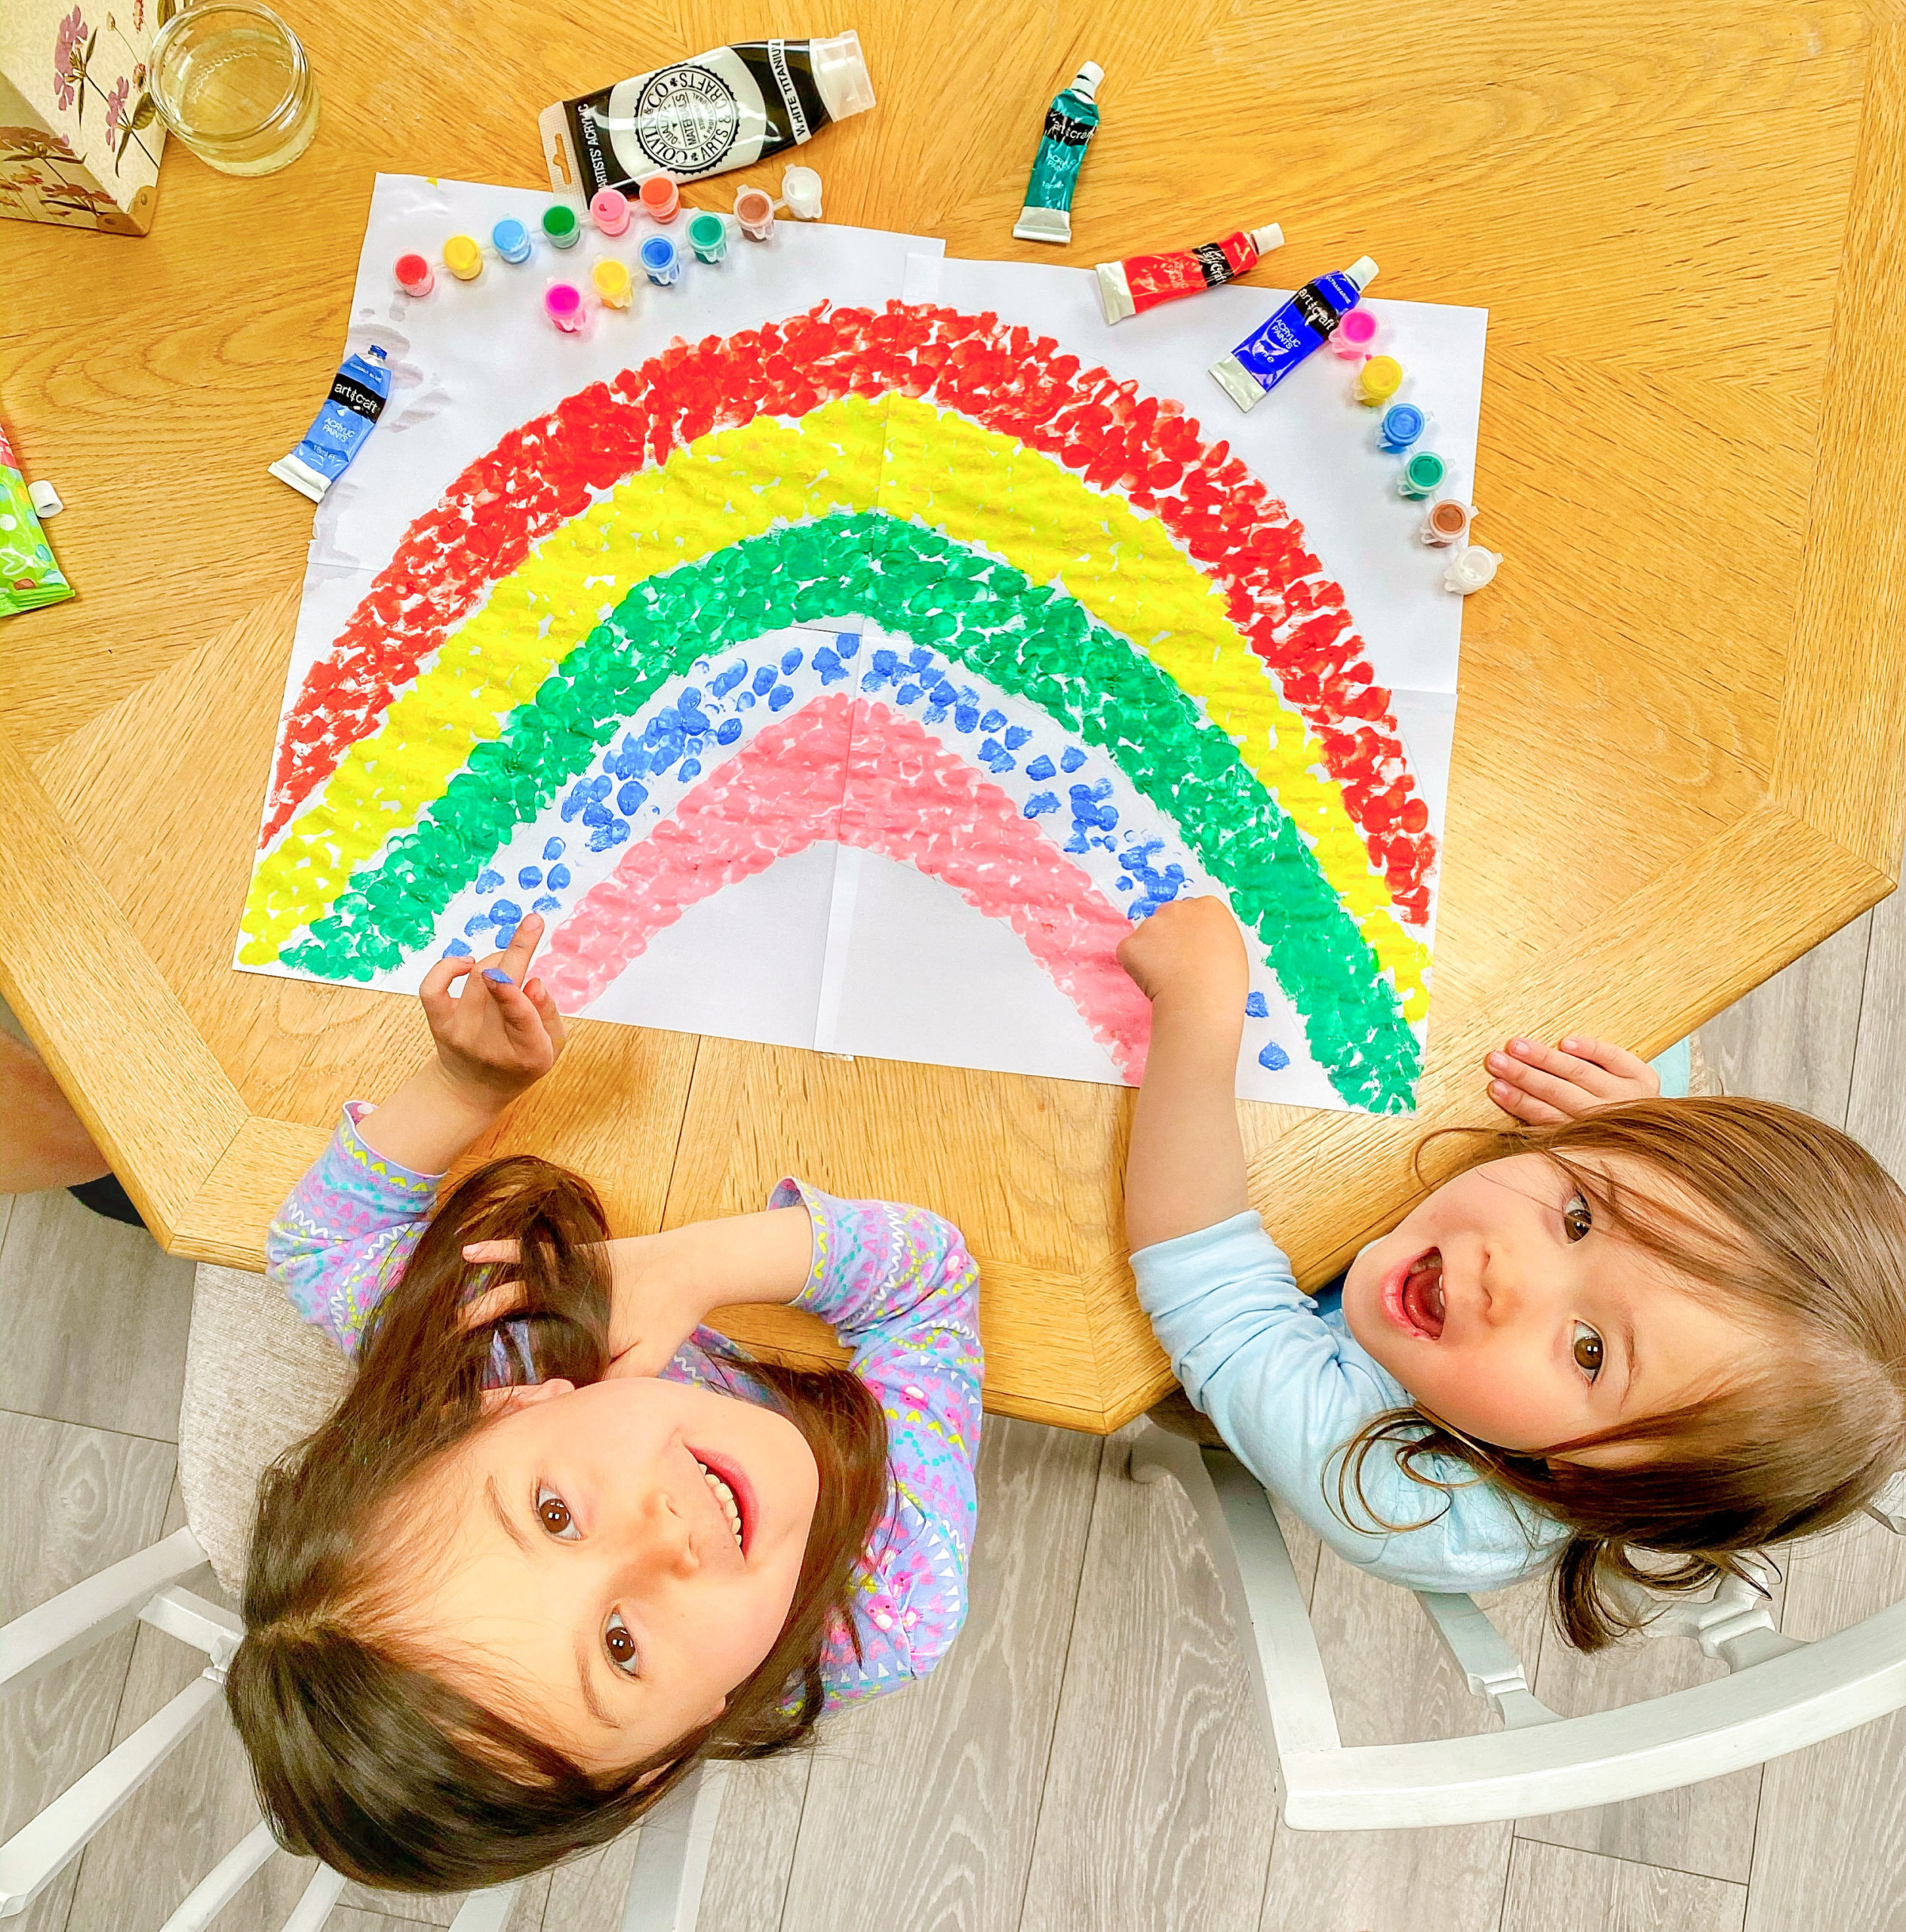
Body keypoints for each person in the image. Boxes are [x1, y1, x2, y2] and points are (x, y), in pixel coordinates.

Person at [224, 915, 982, 1890]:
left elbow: (319, 1248)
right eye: (620, 1648)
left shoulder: (498, 1339)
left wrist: (464, 1088)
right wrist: (702, 1261)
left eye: (555, 1514)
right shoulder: (891, 1600)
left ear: (505, 1408)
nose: (663, 1539)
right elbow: (929, 1291)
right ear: (663, 1760)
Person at [1118, 896, 1906, 1648]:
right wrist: (1630, 1121)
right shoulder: (1618, 1178)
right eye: (1581, 1217)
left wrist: (1200, 1014)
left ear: (1586, 1482)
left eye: (1589, 1350)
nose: (1511, 1278)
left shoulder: (1407, 1508)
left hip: (1207, 1361)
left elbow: (1213, 1288)